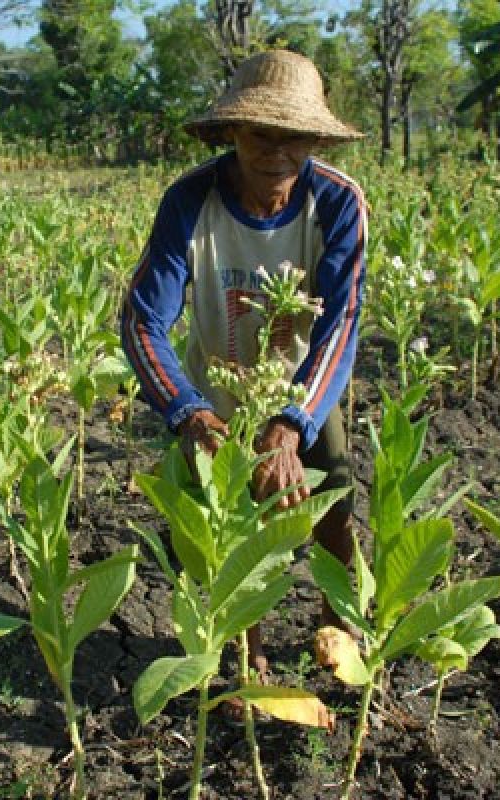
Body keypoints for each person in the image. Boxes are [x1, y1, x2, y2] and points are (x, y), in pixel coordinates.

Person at [120, 49, 366, 677]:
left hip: (302, 390)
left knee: (332, 499)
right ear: (232, 131)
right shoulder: (189, 202)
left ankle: (340, 627)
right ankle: (242, 649)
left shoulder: (337, 203)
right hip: (215, 395)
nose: (278, 151)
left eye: (297, 137)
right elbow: (143, 319)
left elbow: (340, 321)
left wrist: (292, 421)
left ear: (317, 137)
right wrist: (189, 414)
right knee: (223, 532)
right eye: (263, 133)